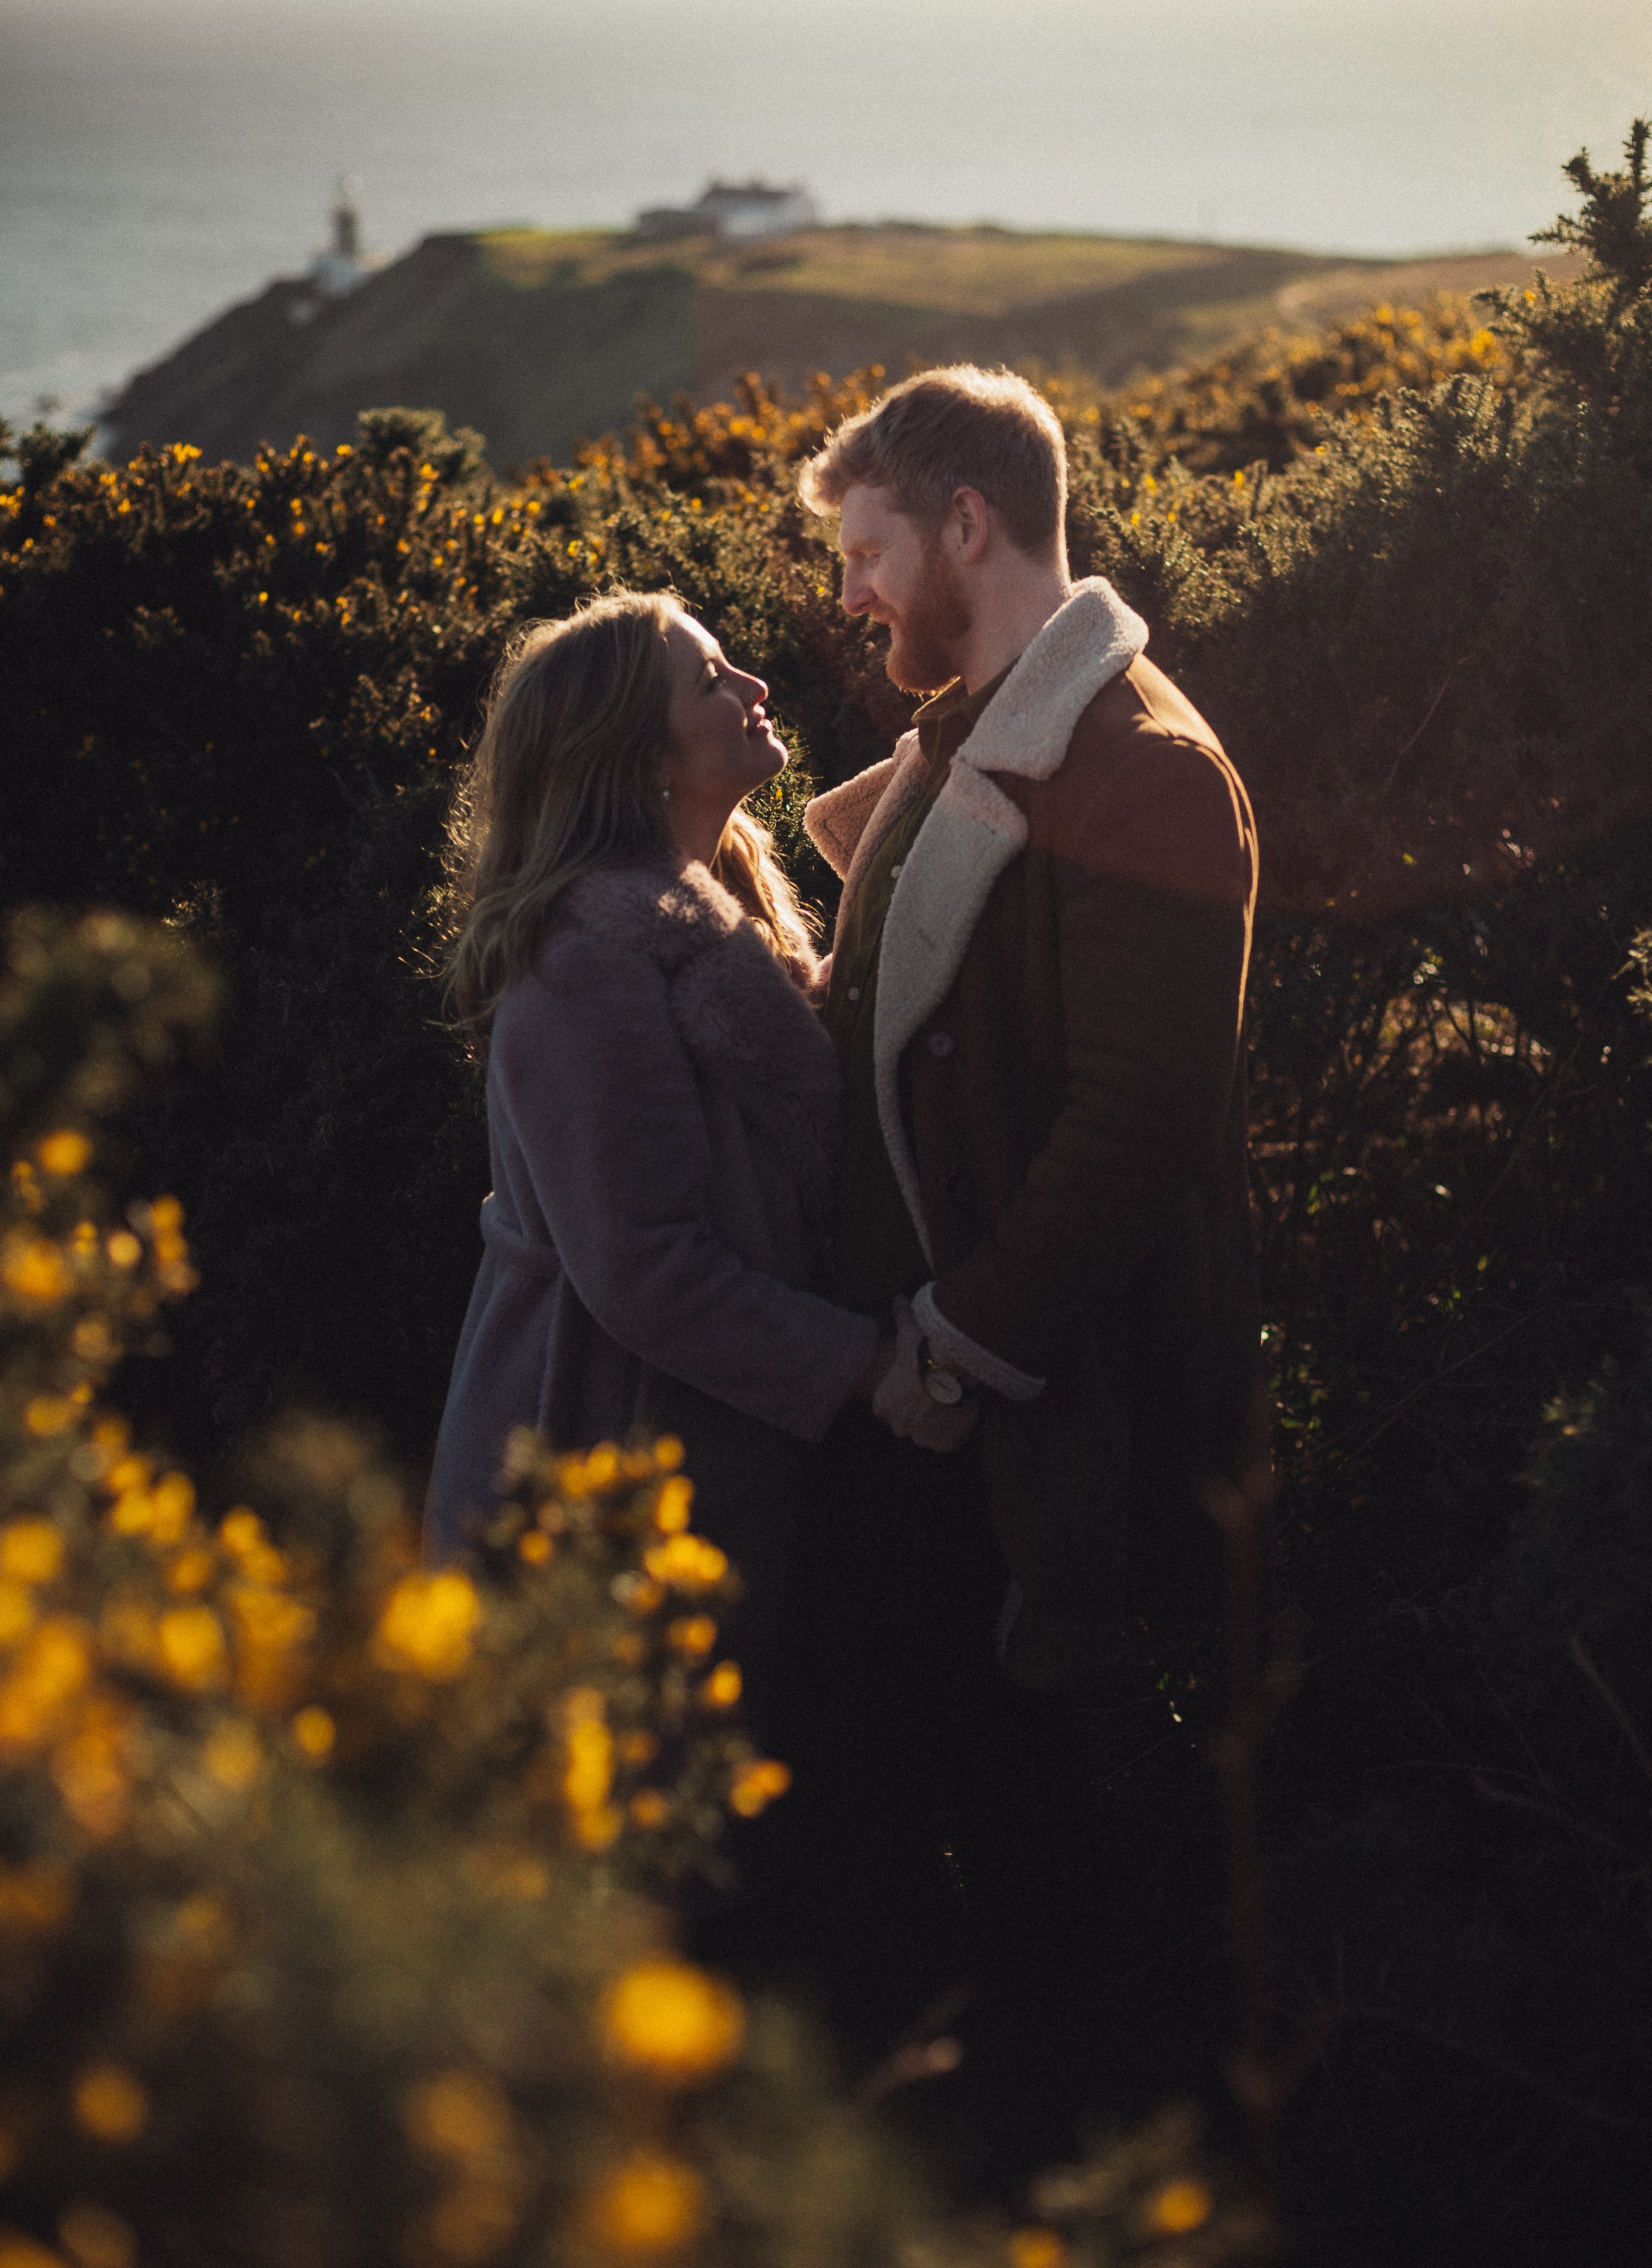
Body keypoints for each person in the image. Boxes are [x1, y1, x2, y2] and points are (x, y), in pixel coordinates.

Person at [783, 365, 1264, 2184]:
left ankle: (1058, 2184)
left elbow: (1137, 1128)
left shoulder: (1142, 768)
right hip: (908, 1390)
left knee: (1037, 1836)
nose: (849, 594)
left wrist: (955, 1344)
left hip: (1020, 1409)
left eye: (867, 551)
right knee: (908, 1808)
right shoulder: (965, 735)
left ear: (967, 526)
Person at [424, 588, 892, 1722]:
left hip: (697, 1447)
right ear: (641, 760)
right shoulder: (583, 966)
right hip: (592, 1465)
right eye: (712, 679)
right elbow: (645, 1268)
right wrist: (867, 1366)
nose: (756, 687)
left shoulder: (722, 903)